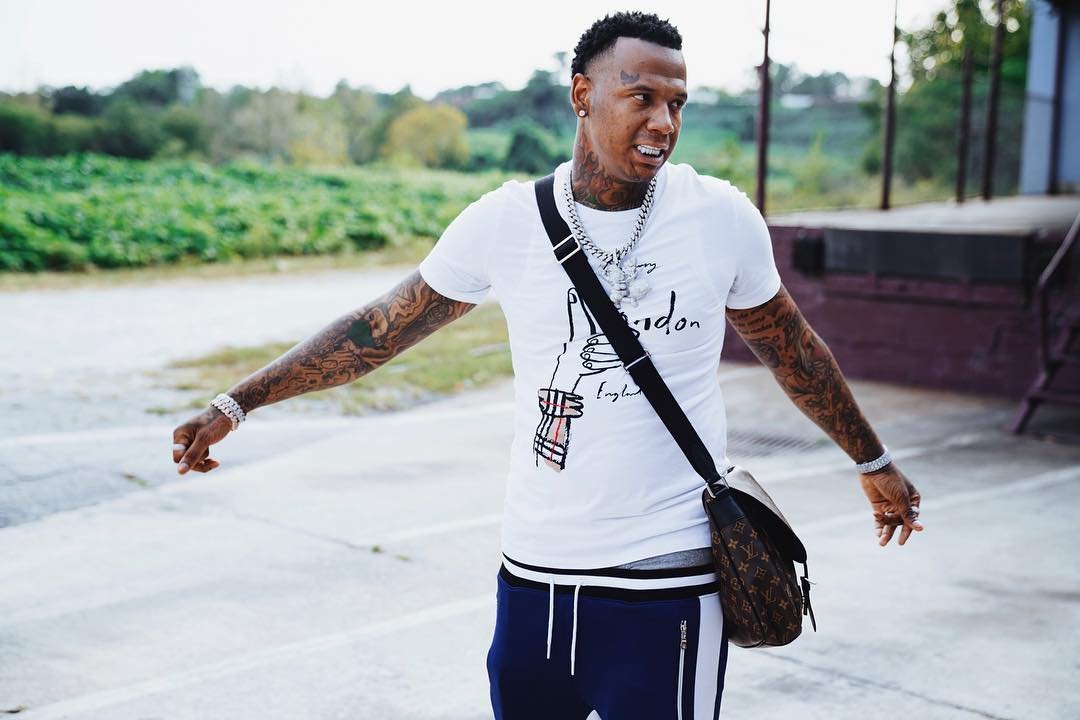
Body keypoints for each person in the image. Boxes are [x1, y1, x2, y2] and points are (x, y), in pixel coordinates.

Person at [172, 11, 924, 719]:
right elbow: (377, 332)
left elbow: (794, 351)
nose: (664, 123)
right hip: (533, 582)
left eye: (677, 104)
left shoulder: (718, 216)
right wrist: (237, 402)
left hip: (666, 583)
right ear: (582, 95)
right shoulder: (506, 221)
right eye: (641, 97)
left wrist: (873, 460)